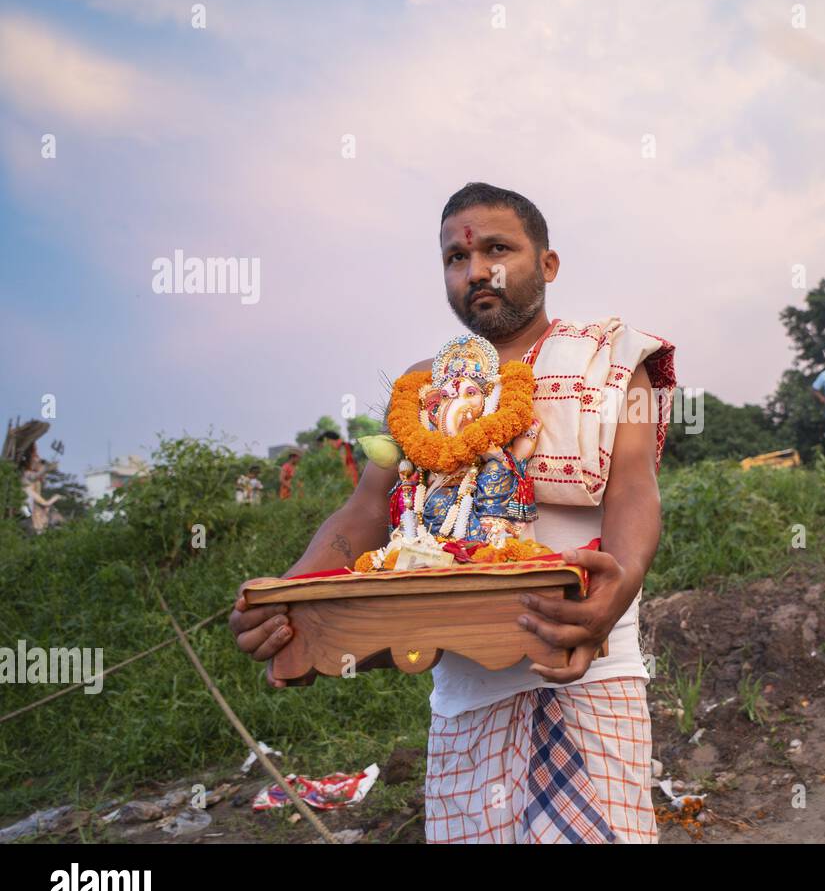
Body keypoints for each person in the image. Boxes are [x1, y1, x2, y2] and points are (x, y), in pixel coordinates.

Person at [229, 182, 675, 844]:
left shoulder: (608, 361)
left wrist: (620, 584)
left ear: (548, 265)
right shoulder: (424, 386)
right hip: (465, 703)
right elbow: (363, 517)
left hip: (589, 676)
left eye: (498, 249)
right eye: (455, 259)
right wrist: (287, 598)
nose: (476, 272)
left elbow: (635, 490)